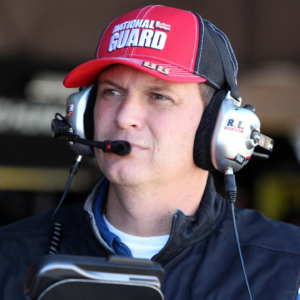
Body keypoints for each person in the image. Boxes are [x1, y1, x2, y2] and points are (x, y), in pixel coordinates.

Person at [1, 5, 300, 300]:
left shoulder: (289, 266)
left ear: (220, 126)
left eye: (159, 96)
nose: (124, 116)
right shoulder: (9, 254)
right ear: (84, 114)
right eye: (111, 92)